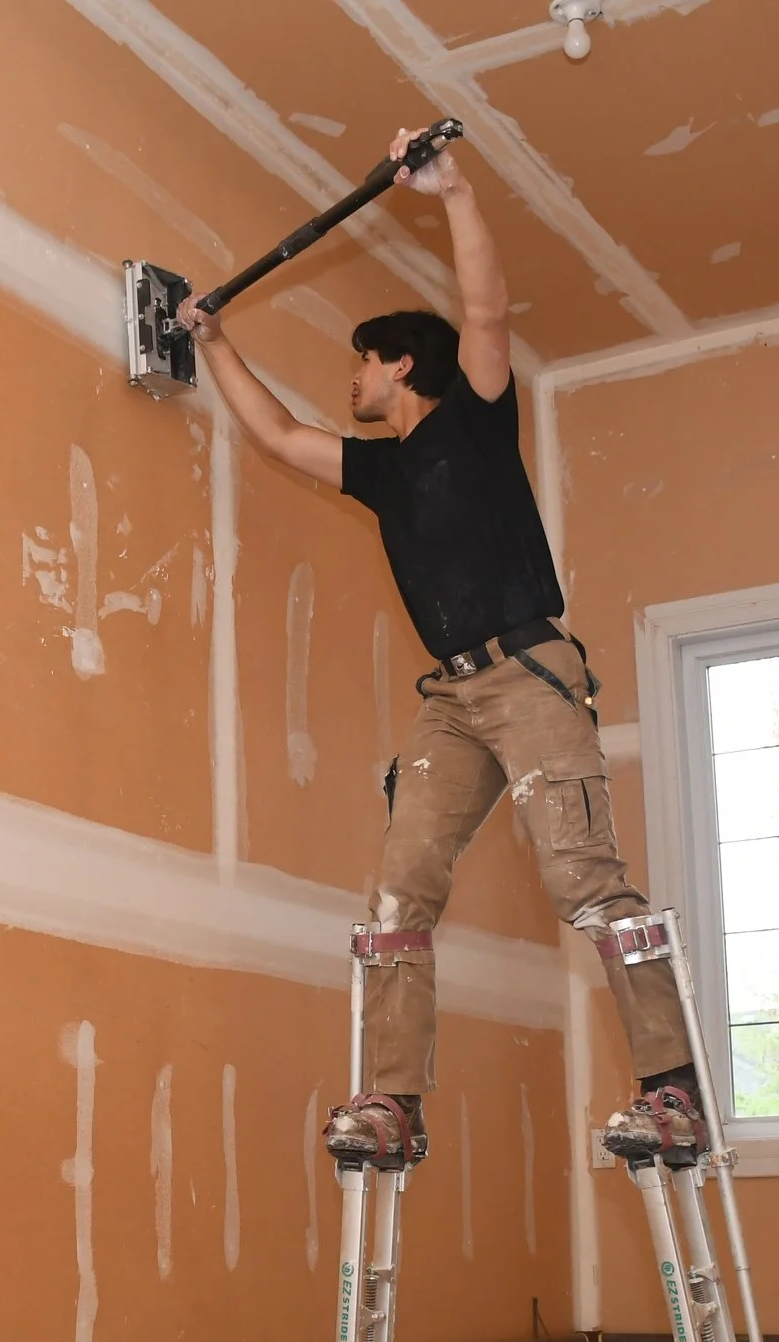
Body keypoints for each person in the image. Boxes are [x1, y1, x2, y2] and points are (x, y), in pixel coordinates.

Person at [177, 127, 703, 1169]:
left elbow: (486, 309)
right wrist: (212, 341)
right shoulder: (379, 471)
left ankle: (671, 1092)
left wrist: (451, 189)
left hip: (530, 671)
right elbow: (280, 436)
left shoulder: (476, 418)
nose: (353, 384)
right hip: (450, 704)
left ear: (398, 363)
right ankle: (392, 1101)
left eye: (361, 365)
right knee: (396, 891)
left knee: (584, 882)